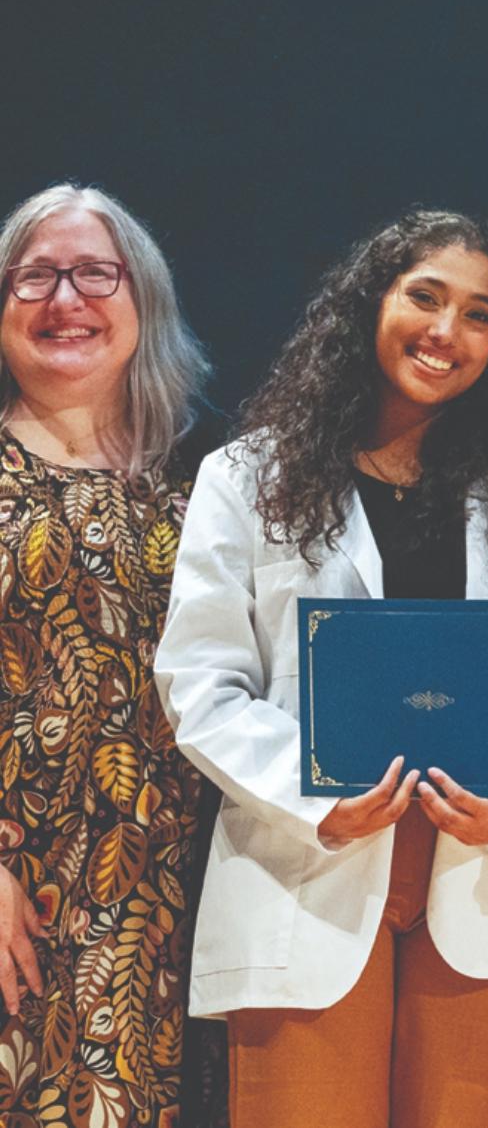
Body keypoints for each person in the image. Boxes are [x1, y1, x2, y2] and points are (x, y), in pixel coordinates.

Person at [154, 210, 488, 1127]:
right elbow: (202, 683)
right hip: (305, 866)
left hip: (487, 882)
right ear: (369, 304)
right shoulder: (248, 477)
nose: (447, 332)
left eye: (479, 314)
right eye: (424, 297)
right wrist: (320, 800)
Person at [0, 185, 211, 1125]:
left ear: (143, 302)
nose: (64, 300)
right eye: (34, 276)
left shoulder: (205, 497)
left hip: (154, 920)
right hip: (15, 905)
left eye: (95, 274)